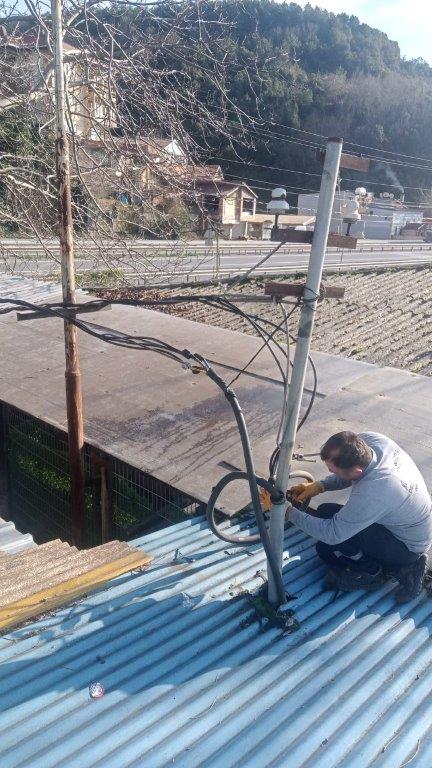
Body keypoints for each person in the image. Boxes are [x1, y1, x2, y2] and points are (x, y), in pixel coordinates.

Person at [288, 431, 432, 603]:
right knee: (324, 512)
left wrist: (286, 512)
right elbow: (349, 474)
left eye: (332, 470)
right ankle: (391, 564)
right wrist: (320, 485)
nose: (330, 472)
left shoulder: (376, 490)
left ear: (356, 471)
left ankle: (373, 573)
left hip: (405, 547)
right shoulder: (372, 441)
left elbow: (333, 534)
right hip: (404, 527)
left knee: (326, 550)